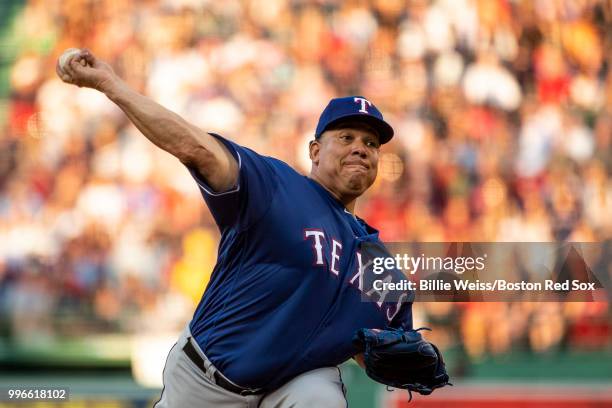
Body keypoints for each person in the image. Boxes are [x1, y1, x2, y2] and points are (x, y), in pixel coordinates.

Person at [58, 49, 413, 408]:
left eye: (371, 143)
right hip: (206, 384)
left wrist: (405, 360)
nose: (361, 149)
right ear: (315, 150)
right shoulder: (276, 186)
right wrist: (112, 85)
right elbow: (194, 147)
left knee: (320, 392)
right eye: (347, 137)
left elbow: (388, 353)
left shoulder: (381, 269)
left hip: (287, 388)